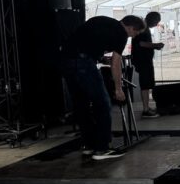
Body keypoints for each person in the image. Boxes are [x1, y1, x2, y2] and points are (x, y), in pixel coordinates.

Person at [60, 15, 145, 160]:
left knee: (82, 105)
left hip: (66, 61)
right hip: (84, 63)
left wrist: (99, 58)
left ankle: (89, 145)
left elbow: (86, 40)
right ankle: (102, 148)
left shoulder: (101, 20)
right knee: (102, 104)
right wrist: (118, 89)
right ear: (131, 28)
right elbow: (116, 64)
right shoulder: (121, 34)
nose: (135, 35)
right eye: (136, 32)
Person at [131, 11, 164, 119]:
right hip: (143, 61)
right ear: (152, 19)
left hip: (144, 61)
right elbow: (141, 43)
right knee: (145, 85)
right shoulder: (143, 28)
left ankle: (147, 107)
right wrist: (155, 45)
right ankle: (145, 110)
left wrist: (154, 46)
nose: (156, 24)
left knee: (147, 84)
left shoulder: (144, 27)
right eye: (156, 21)